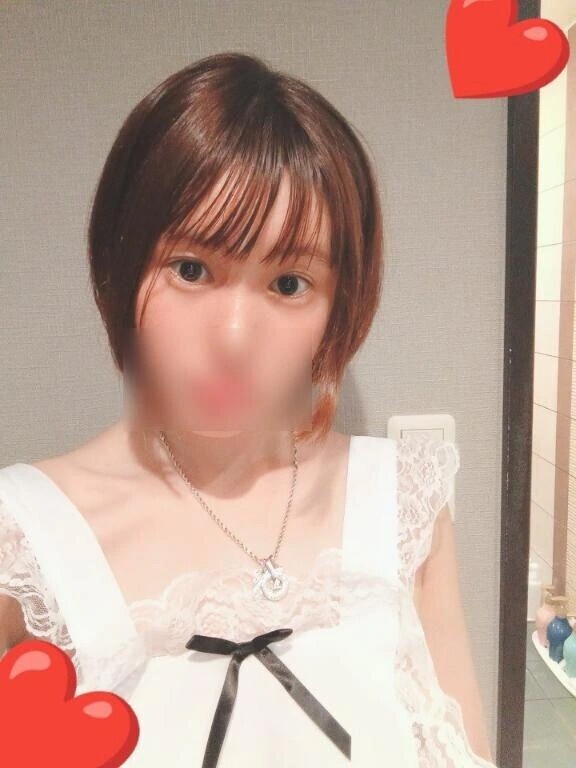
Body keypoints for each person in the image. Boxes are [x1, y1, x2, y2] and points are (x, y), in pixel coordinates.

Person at [0, 52, 497, 766]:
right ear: (120, 263)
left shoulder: (403, 503)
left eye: (289, 283)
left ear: (339, 304)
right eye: (191, 269)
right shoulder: (25, 542)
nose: (234, 338)